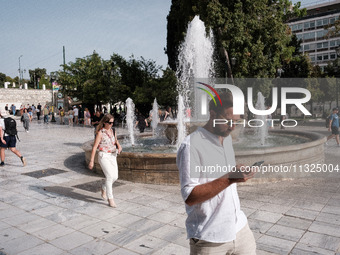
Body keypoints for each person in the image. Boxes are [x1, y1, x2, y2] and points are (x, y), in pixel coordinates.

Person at [176, 92, 257, 255]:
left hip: (240, 228)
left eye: (236, 122)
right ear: (212, 114)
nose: (233, 127)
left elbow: (223, 176)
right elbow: (190, 196)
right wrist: (229, 178)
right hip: (210, 238)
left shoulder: (225, 137)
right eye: (228, 121)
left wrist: (237, 172)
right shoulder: (191, 146)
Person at [88, 114, 122, 208]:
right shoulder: (100, 133)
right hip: (104, 156)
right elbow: (94, 147)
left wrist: (119, 146)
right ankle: (110, 198)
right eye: (110, 123)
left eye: (113, 122)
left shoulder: (113, 130)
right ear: (104, 122)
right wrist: (91, 161)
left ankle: (103, 187)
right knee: (110, 176)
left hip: (113, 155)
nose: (112, 124)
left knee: (115, 177)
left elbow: (115, 141)